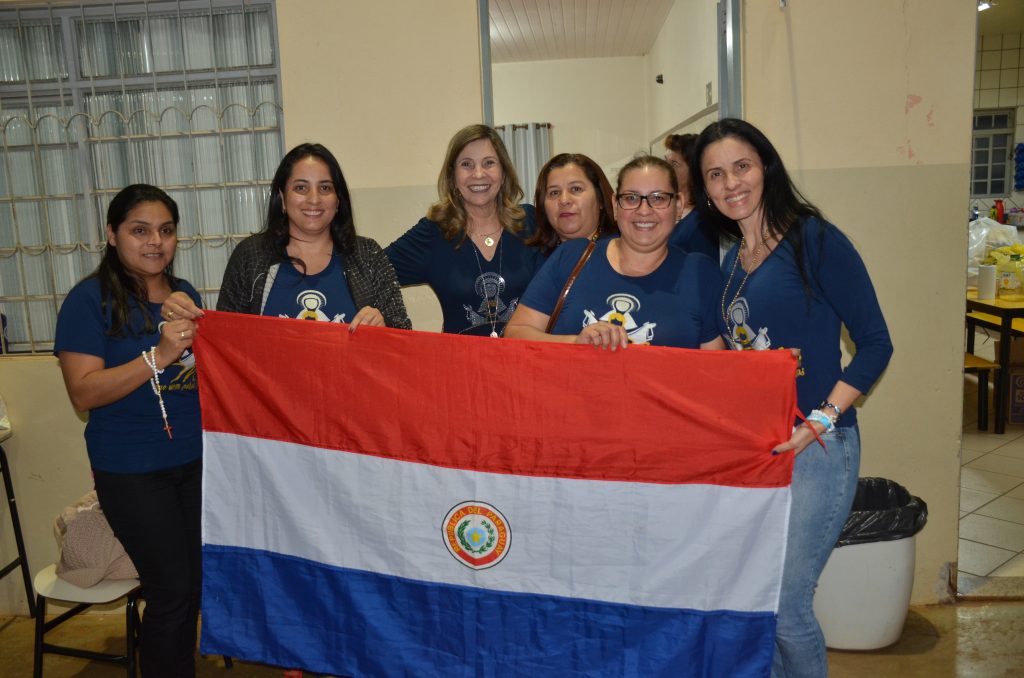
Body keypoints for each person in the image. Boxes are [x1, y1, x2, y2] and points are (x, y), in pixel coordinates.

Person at [692, 118, 893, 677]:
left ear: (766, 167)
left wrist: (821, 420)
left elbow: (876, 343)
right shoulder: (732, 260)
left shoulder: (814, 239)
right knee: (760, 601)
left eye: (742, 166)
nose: (731, 183)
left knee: (785, 604)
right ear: (704, 189)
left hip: (818, 449)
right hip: (761, 451)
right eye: (715, 174)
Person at [54, 184, 203, 678]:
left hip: (193, 463)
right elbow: (83, 392)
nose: (155, 241)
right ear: (112, 234)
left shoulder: (184, 297)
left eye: (166, 230)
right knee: (170, 590)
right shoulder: (87, 300)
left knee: (192, 586)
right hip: (132, 471)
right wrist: (158, 355)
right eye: (140, 230)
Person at [160, 143, 411, 331]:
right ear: (282, 198)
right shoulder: (251, 256)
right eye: (301, 188)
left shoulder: (367, 254)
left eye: (325, 188)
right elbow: (226, 335)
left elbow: (403, 332)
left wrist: (384, 325)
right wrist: (187, 318)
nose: (314, 199)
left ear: (338, 200)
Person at [505, 154, 724, 351]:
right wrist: (575, 343)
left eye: (658, 198)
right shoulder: (572, 257)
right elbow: (516, 334)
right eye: (631, 198)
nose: (644, 210)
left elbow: (715, 369)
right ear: (615, 205)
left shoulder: (700, 273)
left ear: (678, 205)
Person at [384, 124, 542, 337]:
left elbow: (569, 274)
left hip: (525, 356)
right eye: (466, 164)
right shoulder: (434, 232)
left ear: (504, 173)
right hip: (458, 358)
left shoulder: (530, 222)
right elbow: (371, 274)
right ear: (452, 177)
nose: (478, 174)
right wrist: (378, 314)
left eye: (489, 163)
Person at [525, 152, 618, 257]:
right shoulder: (531, 258)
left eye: (576, 189)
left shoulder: (620, 252)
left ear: (600, 198)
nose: (564, 200)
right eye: (554, 192)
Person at [664, 133, 719, 259]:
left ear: (694, 171)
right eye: (665, 162)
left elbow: (706, 267)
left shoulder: (702, 223)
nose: (665, 169)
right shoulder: (662, 211)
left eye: (674, 164)